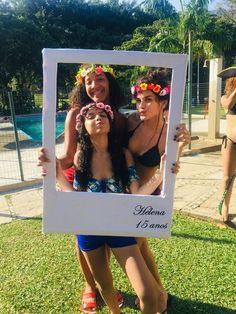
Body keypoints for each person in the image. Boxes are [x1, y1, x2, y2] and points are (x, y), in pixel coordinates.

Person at [41, 102, 168, 314]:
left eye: (102, 114)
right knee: (105, 286)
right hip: (89, 231)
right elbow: (76, 198)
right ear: (83, 126)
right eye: (90, 116)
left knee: (148, 294)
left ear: (110, 122)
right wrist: (55, 173)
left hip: (120, 229)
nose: (98, 117)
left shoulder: (123, 154)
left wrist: (161, 173)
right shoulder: (80, 157)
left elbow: (136, 194)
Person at [127, 67, 191, 307]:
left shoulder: (170, 133)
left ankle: (157, 297)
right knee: (139, 246)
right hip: (123, 189)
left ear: (163, 102)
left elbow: (169, 169)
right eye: (139, 100)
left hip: (148, 192)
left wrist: (179, 152)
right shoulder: (131, 122)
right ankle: (158, 291)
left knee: (135, 244)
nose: (141, 106)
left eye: (149, 100)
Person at [217, 66, 236, 222]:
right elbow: (228, 104)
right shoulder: (225, 97)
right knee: (227, 177)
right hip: (230, 141)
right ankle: (224, 207)